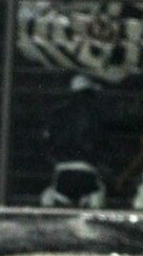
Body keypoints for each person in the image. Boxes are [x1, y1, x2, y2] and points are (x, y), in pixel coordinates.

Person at [40, 74, 107, 208]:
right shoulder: (97, 114)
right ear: (89, 93)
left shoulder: (57, 114)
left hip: (63, 171)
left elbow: (47, 143)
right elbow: (103, 143)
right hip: (88, 172)